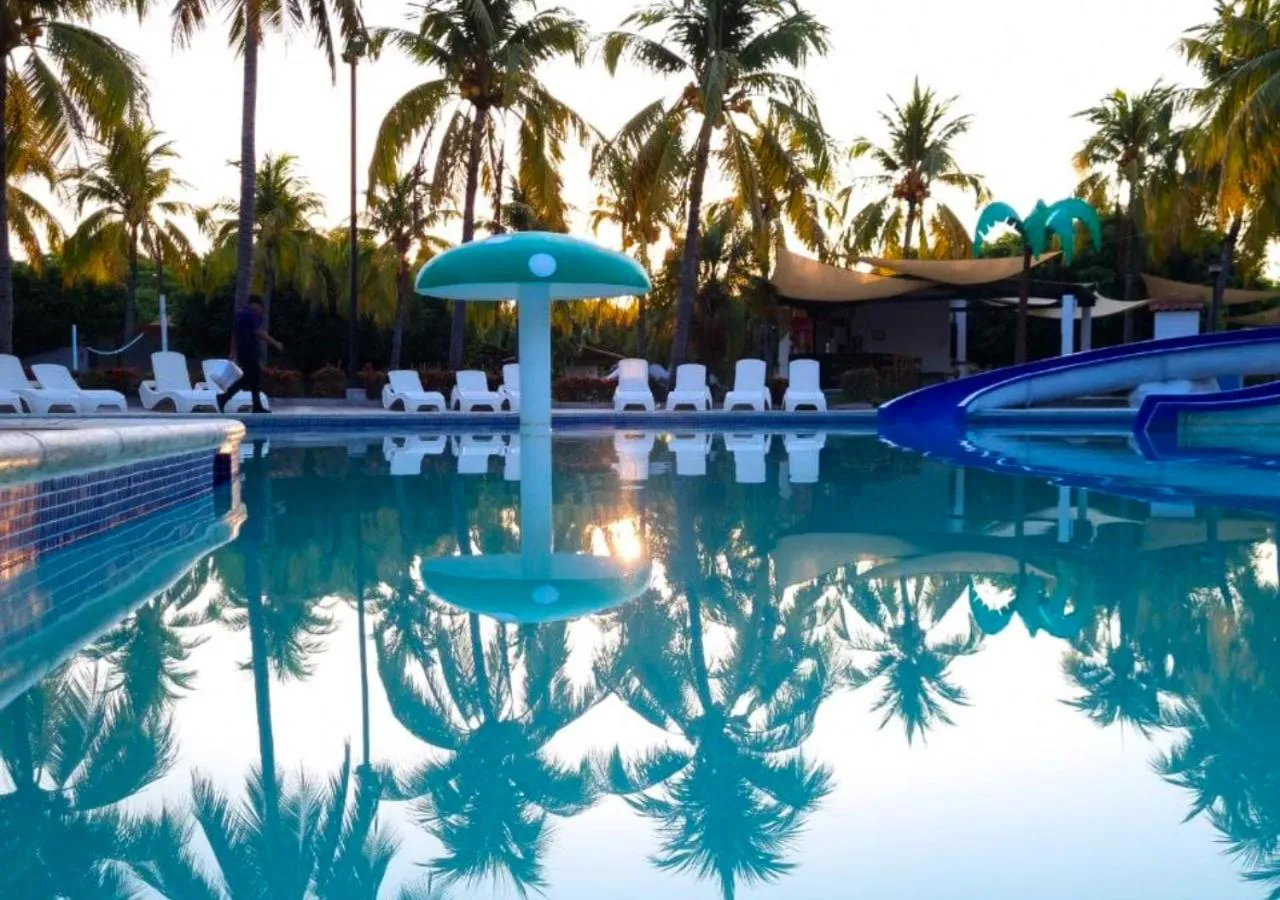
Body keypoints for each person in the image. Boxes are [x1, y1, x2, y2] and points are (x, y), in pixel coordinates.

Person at [218, 297, 283, 413]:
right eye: (261, 308)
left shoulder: (239, 315)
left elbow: (234, 335)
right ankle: (224, 397)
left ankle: (256, 405)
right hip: (249, 351)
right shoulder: (250, 315)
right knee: (251, 377)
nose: (261, 311)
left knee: (253, 378)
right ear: (255, 305)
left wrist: (233, 351)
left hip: (243, 351)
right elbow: (258, 332)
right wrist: (275, 343)